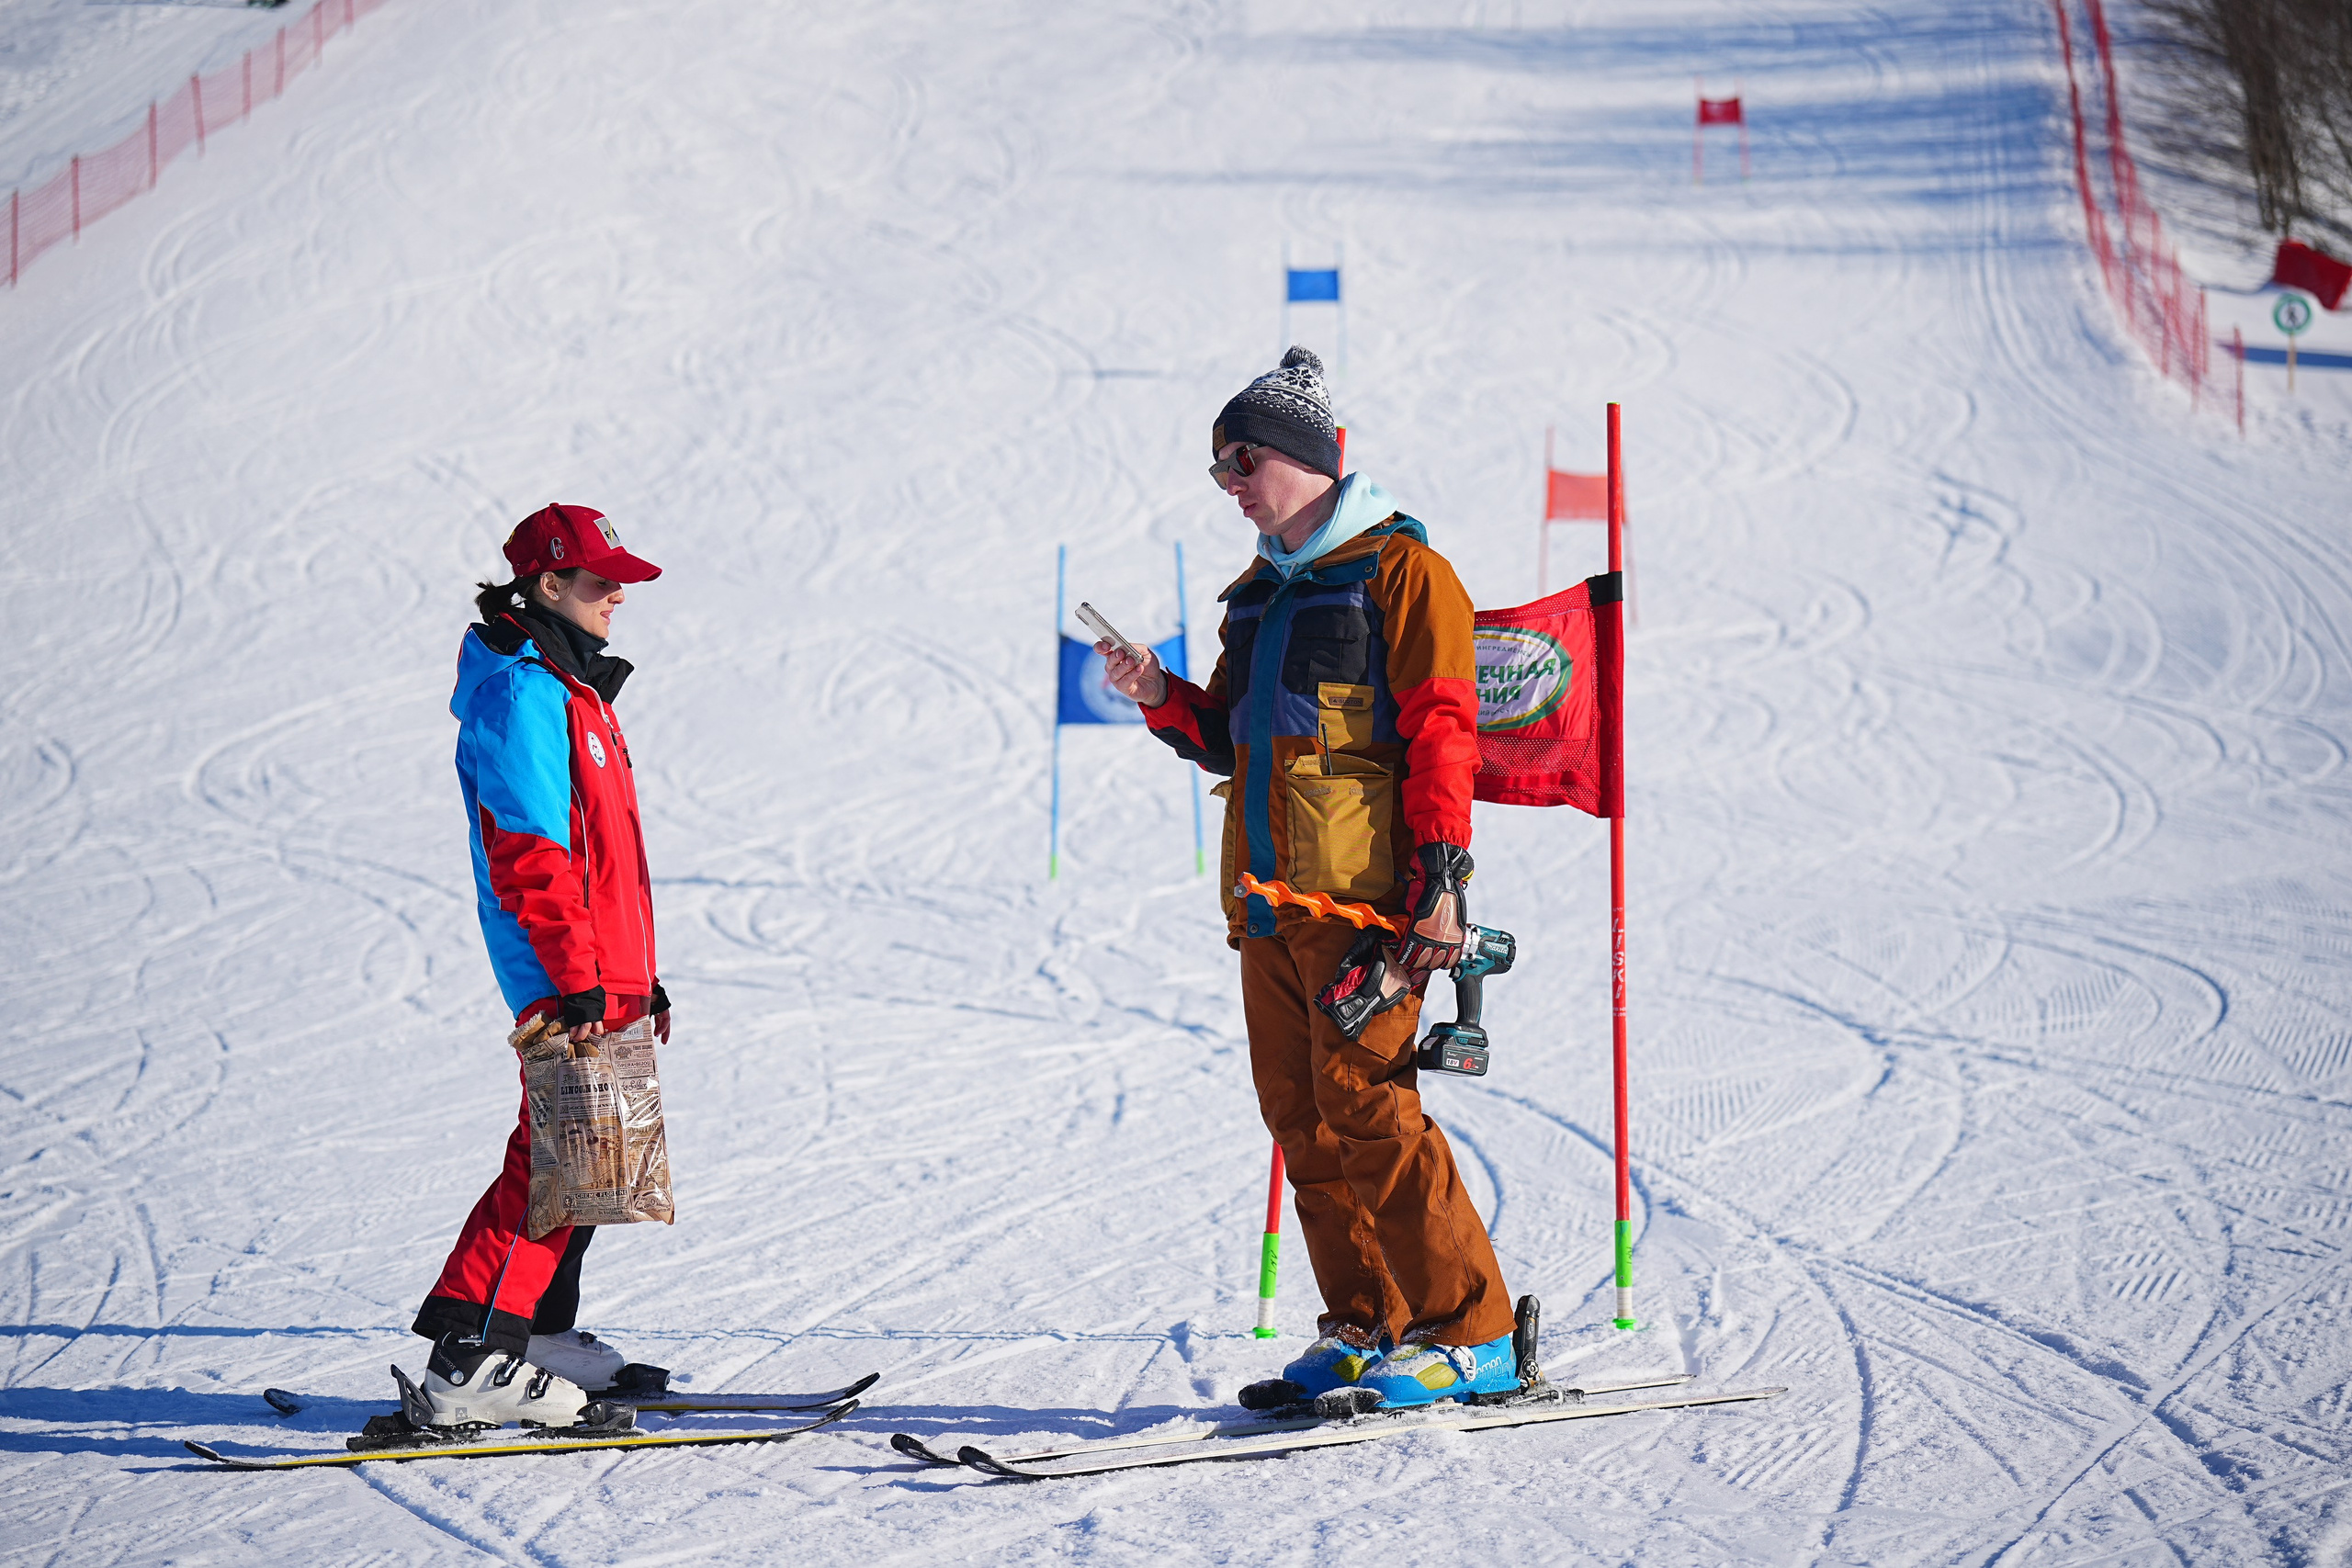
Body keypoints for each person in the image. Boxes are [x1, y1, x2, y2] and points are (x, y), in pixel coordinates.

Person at [1098, 347, 1520, 1409]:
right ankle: (1369, 1321)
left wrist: (1440, 881)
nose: (1229, 483)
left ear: (1303, 458)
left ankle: (1472, 1332)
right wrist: (1158, 692)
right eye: (1218, 468)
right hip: (1266, 903)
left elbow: (1442, 732)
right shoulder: (1258, 592)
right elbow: (1228, 740)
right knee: (1299, 1113)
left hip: (1367, 903)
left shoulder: (1401, 573)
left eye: (1240, 459)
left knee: (1369, 1106)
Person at [407, 502, 671, 1430]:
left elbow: (606, 861)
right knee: (554, 1158)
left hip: (602, 970)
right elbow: (530, 850)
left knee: (595, 1158)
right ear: (547, 585)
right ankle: (470, 1359)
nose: (616, 597)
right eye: (601, 582)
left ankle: (538, 1336)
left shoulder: (577, 691)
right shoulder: (523, 692)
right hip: (566, 977)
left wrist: (637, 977)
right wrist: (577, 978)